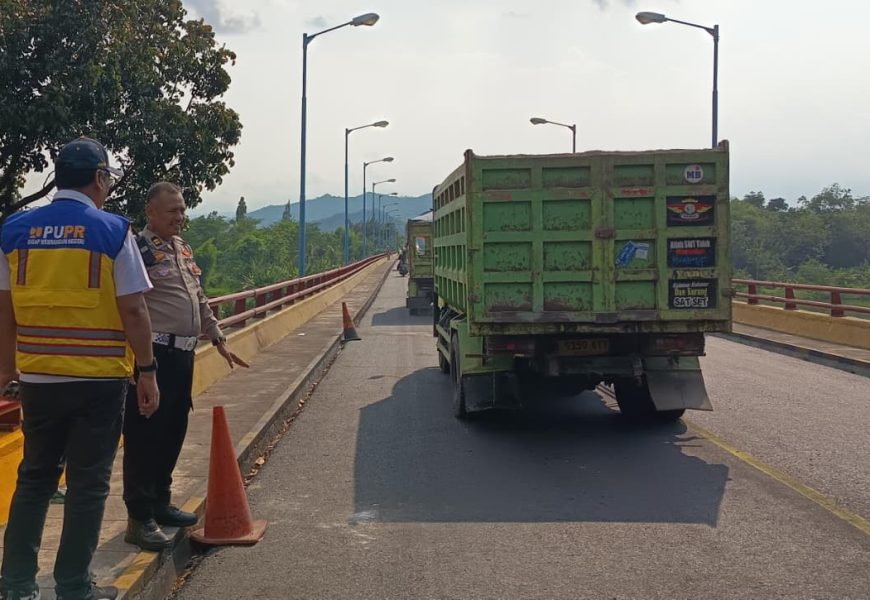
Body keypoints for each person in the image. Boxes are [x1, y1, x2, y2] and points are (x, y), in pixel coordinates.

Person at [0, 137, 159, 600]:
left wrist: (8, 367)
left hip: (37, 379)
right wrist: (146, 371)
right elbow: (134, 311)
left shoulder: (14, 230)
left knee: (34, 479)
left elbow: (4, 309)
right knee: (88, 485)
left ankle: (16, 586)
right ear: (99, 178)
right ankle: (73, 587)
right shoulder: (112, 231)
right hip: (98, 381)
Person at [122, 182, 248, 551]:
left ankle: (160, 502)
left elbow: (199, 298)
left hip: (184, 355)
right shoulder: (137, 249)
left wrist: (218, 337)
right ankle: (139, 516)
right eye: (172, 210)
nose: (180, 216)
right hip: (152, 356)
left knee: (173, 429)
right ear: (151, 212)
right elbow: (128, 303)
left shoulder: (181, 249)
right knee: (145, 435)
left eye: (182, 209)